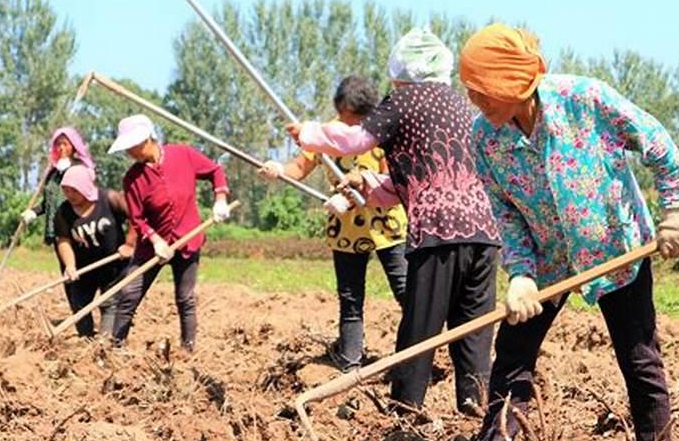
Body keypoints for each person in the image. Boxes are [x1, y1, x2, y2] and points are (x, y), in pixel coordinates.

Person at [459, 23, 679, 441]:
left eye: (481, 89)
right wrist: (520, 275)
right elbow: (506, 213)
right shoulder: (484, 139)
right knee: (513, 358)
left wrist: (675, 209)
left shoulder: (585, 99)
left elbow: (657, 143)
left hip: (615, 248)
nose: (474, 101)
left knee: (639, 358)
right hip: (546, 263)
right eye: (471, 91)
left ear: (511, 82)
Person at [286, 27, 501, 415]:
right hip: (485, 232)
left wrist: (309, 133)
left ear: (400, 70)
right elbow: (416, 178)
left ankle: (406, 411)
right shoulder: (460, 104)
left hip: (439, 232)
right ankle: (476, 406)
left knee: (420, 327)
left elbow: (352, 142)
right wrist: (367, 186)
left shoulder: (402, 100)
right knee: (473, 330)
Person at [259, 75, 408, 372]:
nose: (344, 124)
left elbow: (389, 179)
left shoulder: (382, 132)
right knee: (350, 296)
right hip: (346, 228)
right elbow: (300, 167)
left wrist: (358, 193)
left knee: (406, 291)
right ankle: (350, 361)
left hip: (385, 224)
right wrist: (279, 170)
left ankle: (416, 357)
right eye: (341, 115)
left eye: (351, 119)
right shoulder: (325, 134)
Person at [108, 114, 231, 351]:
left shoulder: (182, 155)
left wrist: (221, 198)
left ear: (146, 140)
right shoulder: (132, 179)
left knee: (185, 298)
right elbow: (137, 218)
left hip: (188, 239)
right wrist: (154, 240)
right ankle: (115, 348)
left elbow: (215, 171)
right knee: (129, 294)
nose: (128, 153)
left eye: (130, 147)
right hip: (152, 246)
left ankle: (188, 349)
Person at [54, 165, 136, 337]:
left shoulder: (110, 199)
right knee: (79, 306)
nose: (70, 195)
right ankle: (86, 341)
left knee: (110, 303)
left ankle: (106, 343)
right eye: (66, 191)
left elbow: (136, 217)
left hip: (113, 266)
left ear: (84, 187)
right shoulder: (63, 212)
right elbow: (64, 241)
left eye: (74, 191)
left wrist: (129, 244)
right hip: (84, 270)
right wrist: (70, 265)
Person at [21, 127, 96, 270]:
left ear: (73, 146)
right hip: (59, 231)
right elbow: (47, 203)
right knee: (67, 271)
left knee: (83, 272)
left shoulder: (82, 169)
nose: (61, 148)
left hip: (77, 229)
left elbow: (90, 198)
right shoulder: (53, 173)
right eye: (58, 144)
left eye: (65, 144)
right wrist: (33, 212)